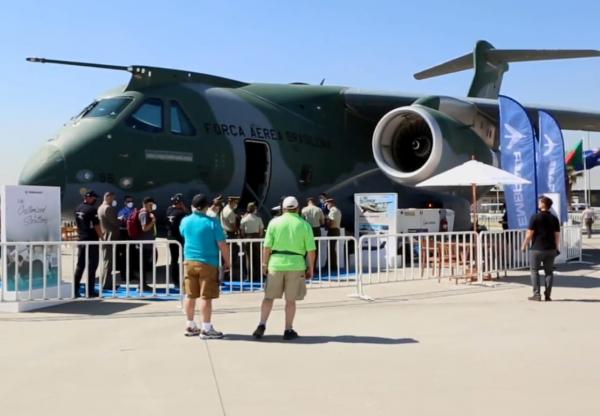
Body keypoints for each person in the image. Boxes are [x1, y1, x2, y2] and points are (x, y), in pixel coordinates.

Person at [253, 196, 316, 340]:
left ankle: (262, 324)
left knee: (268, 297)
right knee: (290, 300)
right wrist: (311, 268)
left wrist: (264, 264)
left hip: (275, 263)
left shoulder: (274, 222)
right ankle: (288, 329)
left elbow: (267, 246)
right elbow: (311, 250)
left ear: (283, 208)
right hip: (296, 265)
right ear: (297, 208)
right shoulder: (304, 225)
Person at [179, 194, 231, 338]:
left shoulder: (185, 221)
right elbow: (222, 244)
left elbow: (183, 233)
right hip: (208, 263)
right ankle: (206, 328)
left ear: (193, 206)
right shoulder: (213, 222)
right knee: (206, 297)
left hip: (189, 261)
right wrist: (228, 261)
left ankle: (190, 325)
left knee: (190, 295)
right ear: (207, 207)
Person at [521, 196, 561, 302]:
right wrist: (557, 247)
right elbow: (557, 235)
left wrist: (524, 245)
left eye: (540, 202)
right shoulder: (554, 218)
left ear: (543, 204)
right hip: (551, 249)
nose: (538, 203)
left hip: (537, 248)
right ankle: (548, 295)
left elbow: (529, 234)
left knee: (534, 271)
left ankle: (537, 295)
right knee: (549, 272)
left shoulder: (535, 217)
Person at [73, 190, 102, 297]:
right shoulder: (92, 210)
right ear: (89, 198)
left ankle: (75, 290)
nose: (95, 200)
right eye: (94, 198)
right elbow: (96, 226)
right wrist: (102, 237)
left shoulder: (78, 208)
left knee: (80, 265)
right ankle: (90, 291)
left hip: (81, 239)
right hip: (91, 240)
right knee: (92, 266)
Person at [97, 192, 120, 290]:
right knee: (108, 262)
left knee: (106, 261)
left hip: (104, 236)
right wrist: (121, 220)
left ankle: (106, 282)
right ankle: (106, 284)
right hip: (109, 237)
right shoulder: (108, 208)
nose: (113, 200)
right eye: (112, 198)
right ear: (107, 197)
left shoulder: (100, 207)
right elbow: (115, 222)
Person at [166, 193, 188, 288]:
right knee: (183, 259)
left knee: (174, 260)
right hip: (179, 238)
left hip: (170, 237)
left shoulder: (169, 210)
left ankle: (175, 281)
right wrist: (183, 207)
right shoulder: (181, 213)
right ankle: (183, 279)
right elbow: (188, 216)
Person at [240, 202, 265, 282]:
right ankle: (259, 275)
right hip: (257, 239)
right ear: (254, 209)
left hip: (247, 239)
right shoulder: (258, 219)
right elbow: (261, 231)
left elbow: (242, 231)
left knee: (248, 258)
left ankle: (249, 277)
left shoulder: (244, 219)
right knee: (258, 258)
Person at [138, 197, 157, 291]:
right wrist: (153, 221)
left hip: (147, 243)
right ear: (145, 204)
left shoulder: (147, 214)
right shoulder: (144, 214)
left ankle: (142, 284)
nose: (152, 206)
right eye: (150, 205)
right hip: (144, 244)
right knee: (143, 265)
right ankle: (142, 285)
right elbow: (144, 228)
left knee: (144, 265)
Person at [302, 197, 325, 268]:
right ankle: (313, 268)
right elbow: (322, 222)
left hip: (306, 230)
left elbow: (301, 221)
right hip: (316, 230)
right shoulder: (319, 209)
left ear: (308, 202)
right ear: (314, 202)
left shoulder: (304, 210)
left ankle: (303, 267)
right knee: (315, 249)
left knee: (304, 249)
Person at [117, 195, 135, 278]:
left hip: (131, 235)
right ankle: (124, 275)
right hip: (124, 235)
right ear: (125, 203)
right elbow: (120, 222)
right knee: (124, 256)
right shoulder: (122, 212)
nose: (130, 203)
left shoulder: (134, 211)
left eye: (131, 201)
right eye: (128, 201)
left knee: (131, 255)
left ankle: (131, 274)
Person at [325, 198, 342, 271]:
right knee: (331, 248)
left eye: (327, 204)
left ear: (331, 203)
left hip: (333, 230)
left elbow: (331, 221)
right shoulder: (337, 210)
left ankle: (332, 266)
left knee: (331, 249)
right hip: (336, 230)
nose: (326, 205)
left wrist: (326, 225)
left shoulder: (332, 211)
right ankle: (329, 265)